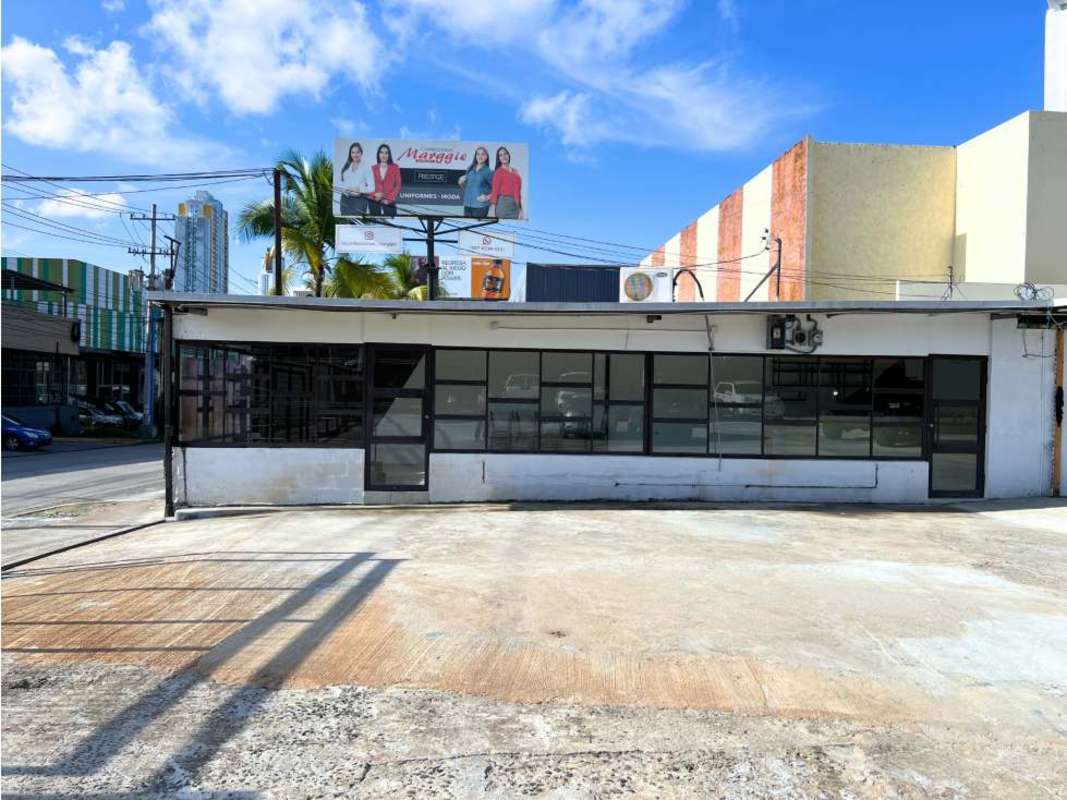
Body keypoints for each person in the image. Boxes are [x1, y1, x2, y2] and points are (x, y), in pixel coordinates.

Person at [457, 145, 493, 218]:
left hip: (480, 206)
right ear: (475, 156)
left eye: (483, 154)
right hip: (467, 205)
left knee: (477, 228)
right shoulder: (470, 169)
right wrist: (460, 183)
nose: (480, 156)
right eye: (478, 154)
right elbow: (466, 188)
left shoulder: (488, 171)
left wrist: (487, 197)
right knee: (467, 227)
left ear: (486, 157)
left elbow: (497, 189)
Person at [488, 146, 522, 219]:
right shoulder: (498, 173)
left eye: (505, 154)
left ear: (509, 155)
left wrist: (521, 209)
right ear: (499, 159)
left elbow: (518, 193)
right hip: (503, 206)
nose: (504, 156)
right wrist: (493, 212)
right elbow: (495, 192)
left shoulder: (516, 171)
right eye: (501, 155)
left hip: (515, 207)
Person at [338, 142, 372, 216]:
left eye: (357, 152)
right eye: (353, 152)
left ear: (361, 153)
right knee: (346, 223)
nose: (355, 155)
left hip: (360, 201)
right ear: (350, 154)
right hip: (345, 200)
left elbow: (372, 187)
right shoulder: (346, 168)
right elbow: (341, 184)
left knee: (357, 224)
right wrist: (346, 189)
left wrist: (359, 189)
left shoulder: (366, 168)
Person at [370, 143, 401, 217]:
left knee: (391, 225)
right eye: (381, 152)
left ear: (389, 154)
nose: (384, 155)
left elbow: (398, 185)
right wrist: (374, 194)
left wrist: (389, 199)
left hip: (389, 201)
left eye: (386, 153)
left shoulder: (395, 168)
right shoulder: (372, 168)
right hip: (374, 200)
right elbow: (366, 185)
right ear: (378, 154)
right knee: (375, 224)